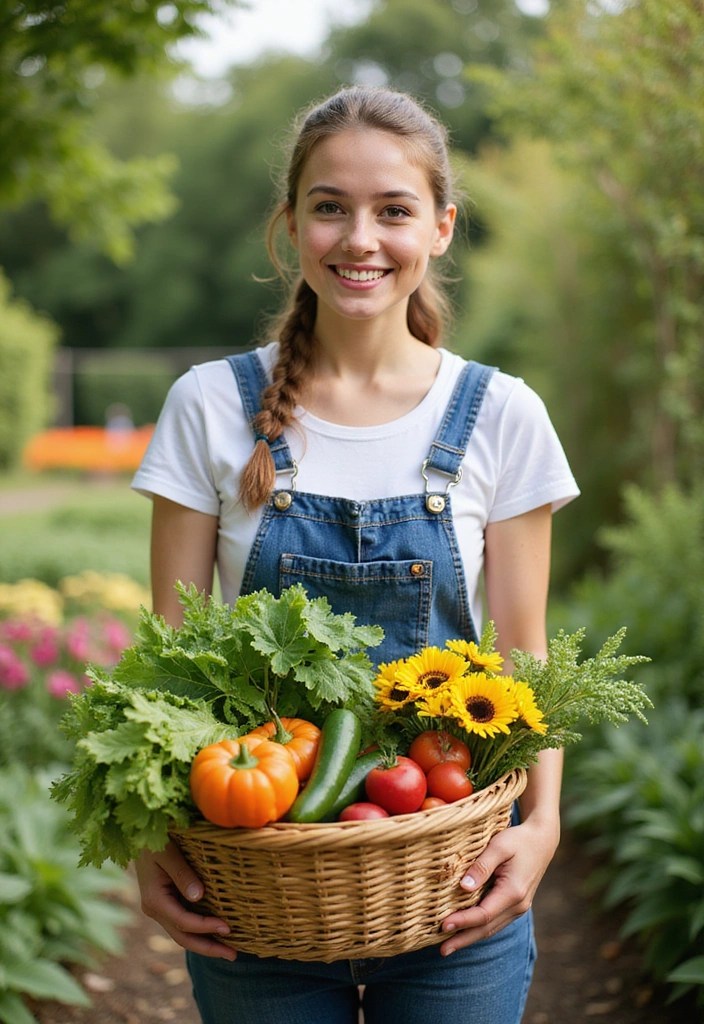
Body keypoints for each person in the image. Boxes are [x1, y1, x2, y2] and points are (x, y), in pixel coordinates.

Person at [131, 84, 579, 1024]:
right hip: (256, 887)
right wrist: (150, 840)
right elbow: (162, 663)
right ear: (291, 224)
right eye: (330, 206)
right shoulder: (208, 406)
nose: (359, 239)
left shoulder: (502, 416)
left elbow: (525, 654)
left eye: (394, 210)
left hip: (455, 882)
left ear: (443, 227)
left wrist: (541, 830)